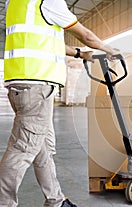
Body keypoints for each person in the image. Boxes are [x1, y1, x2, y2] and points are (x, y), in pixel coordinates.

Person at [0, 0, 119, 206]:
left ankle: (55, 201)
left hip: (24, 84)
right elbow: (86, 35)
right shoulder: (48, 1)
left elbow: (46, 41)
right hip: (36, 87)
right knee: (22, 150)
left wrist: (81, 54)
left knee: (42, 147)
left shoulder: (18, 3)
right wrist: (110, 50)